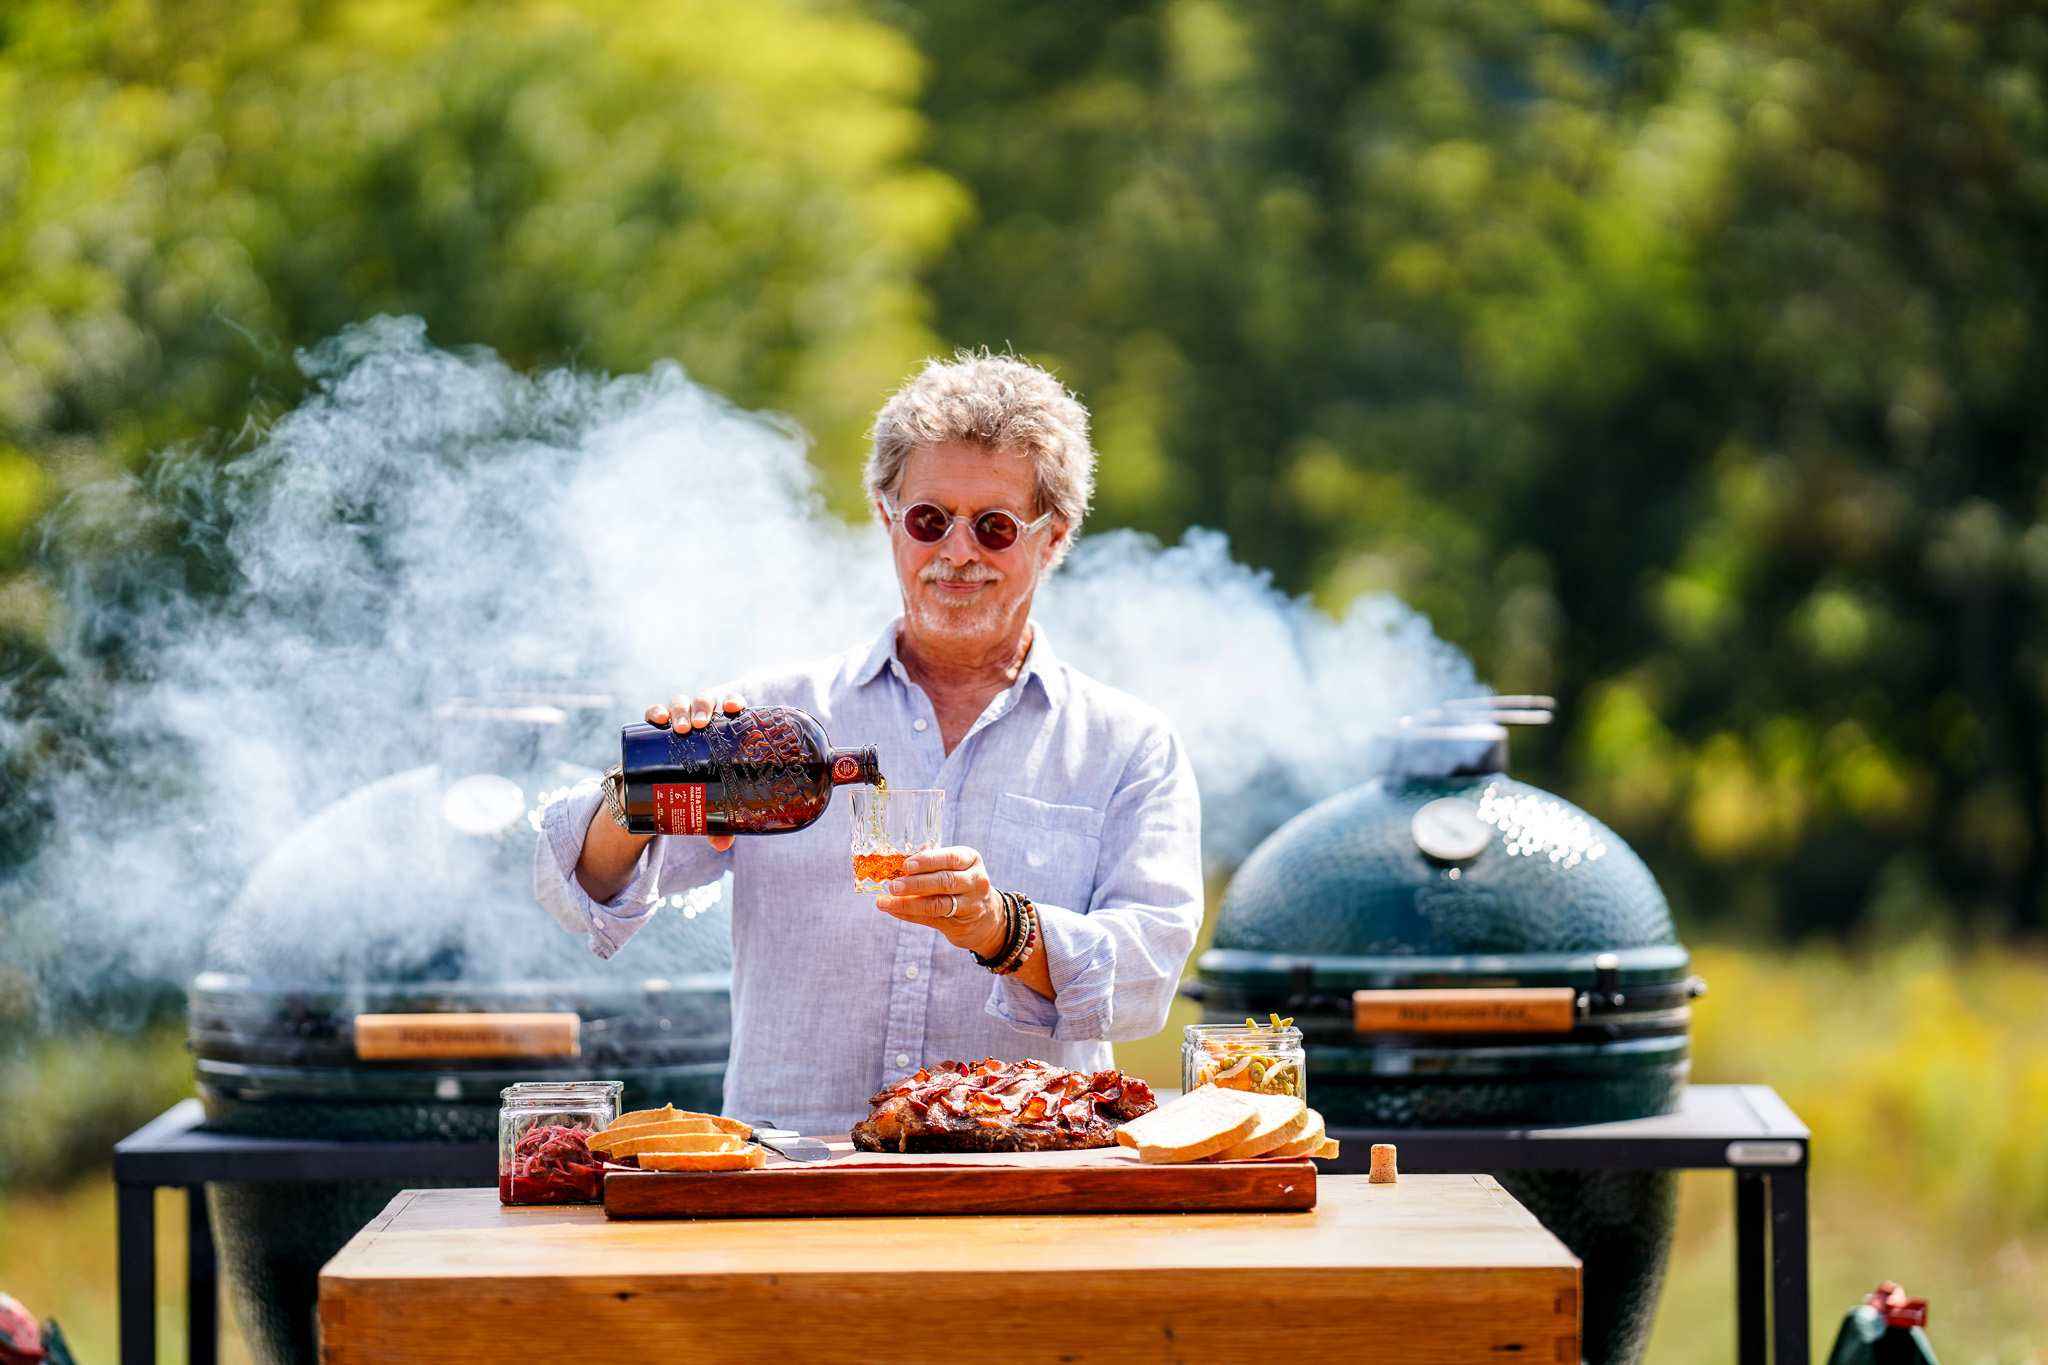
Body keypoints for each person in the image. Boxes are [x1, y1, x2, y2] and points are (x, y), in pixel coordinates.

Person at [534, 353, 1203, 1134]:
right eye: (929, 519)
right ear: (888, 517)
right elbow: (580, 889)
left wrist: (1002, 926)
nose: (957, 553)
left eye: (993, 527)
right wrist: (645, 788)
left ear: (1051, 539)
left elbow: (1146, 976)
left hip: (1020, 1183)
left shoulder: (1128, 745)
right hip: (791, 1175)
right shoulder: (776, 715)